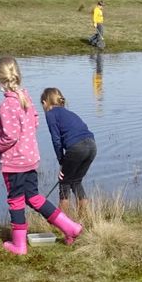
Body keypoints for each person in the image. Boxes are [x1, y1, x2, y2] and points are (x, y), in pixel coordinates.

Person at [0, 57, 83, 255]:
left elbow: (11, 136)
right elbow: (33, 123)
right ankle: (71, 227)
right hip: (30, 159)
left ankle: (19, 246)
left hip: (14, 162)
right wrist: (2, 132)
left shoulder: (7, 105)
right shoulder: (26, 98)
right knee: (34, 197)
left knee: (16, 201)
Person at [40, 88, 97, 217]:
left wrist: (61, 161)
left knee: (64, 183)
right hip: (92, 146)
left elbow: (56, 140)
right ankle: (84, 218)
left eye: (42, 105)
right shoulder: (69, 113)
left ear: (45, 102)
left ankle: (62, 222)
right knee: (76, 181)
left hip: (77, 147)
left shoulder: (50, 114)